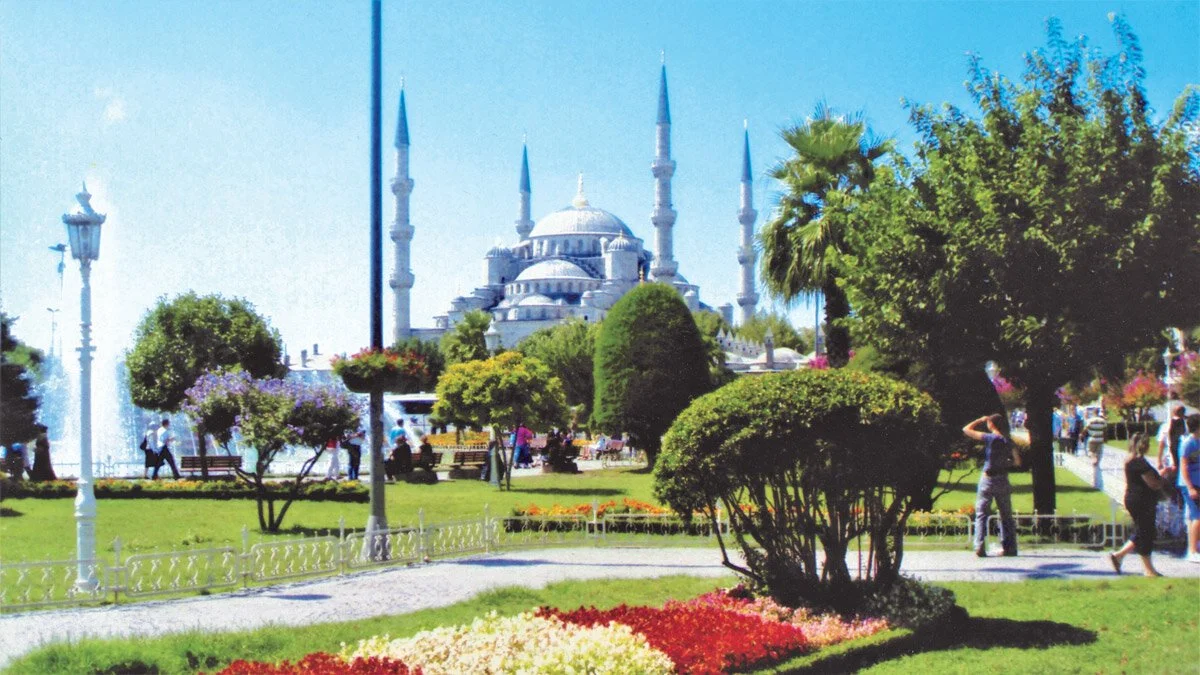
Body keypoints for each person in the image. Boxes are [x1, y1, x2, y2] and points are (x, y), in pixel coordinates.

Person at [1108, 432, 1167, 577]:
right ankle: (1148, 569)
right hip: (1142, 500)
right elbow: (1152, 483)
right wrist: (1164, 475)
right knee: (1145, 533)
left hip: (1134, 498)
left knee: (1142, 531)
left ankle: (1119, 556)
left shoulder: (1129, 460)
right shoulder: (1139, 462)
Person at [964, 413, 1019, 557]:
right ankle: (1010, 547)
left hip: (988, 479)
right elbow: (1017, 461)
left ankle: (980, 546)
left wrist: (979, 419)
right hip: (1003, 479)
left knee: (982, 514)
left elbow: (966, 430)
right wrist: (1006, 463)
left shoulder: (990, 438)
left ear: (991, 424)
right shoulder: (1008, 441)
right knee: (1006, 515)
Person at [1176, 414, 1200, 563]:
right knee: (1198, 516)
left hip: (1198, 482)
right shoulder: (1188, 443)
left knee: (1194, 517)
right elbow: (1183, 467)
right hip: (1188, 484)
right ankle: (1192, 551)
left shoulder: (1198, 442)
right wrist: (1190, 487)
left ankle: (1193, 547)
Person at [1085, 409, 1107, 489]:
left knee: (1090, 451)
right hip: (1100, 440)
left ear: (1093, 413)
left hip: (1092, 439)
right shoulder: (1103, 421)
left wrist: (1082, 435)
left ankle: (1093, 457)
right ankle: (1096, 463)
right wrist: (1105, 439)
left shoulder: (1090, 420)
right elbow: (1105, 431)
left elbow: (1085, 429)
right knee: (1099, 455)